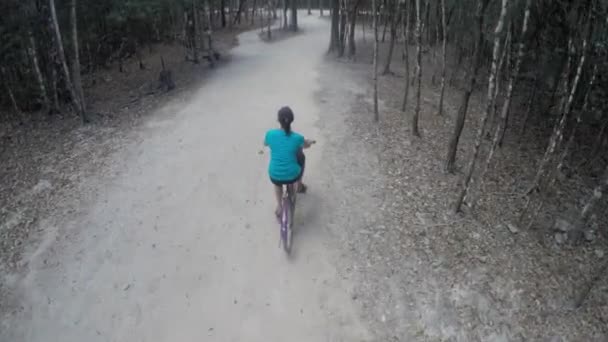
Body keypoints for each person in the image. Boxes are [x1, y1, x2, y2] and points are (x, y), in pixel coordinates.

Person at [264, 106, 315, 218]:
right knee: (301, 157)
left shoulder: (270, 134)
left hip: (274, 174)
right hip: (292, 175)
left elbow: (266, 144)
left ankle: (279, 206)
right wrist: (310, 142)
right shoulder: (298, 138)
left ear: (278, 120)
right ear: (292, 120)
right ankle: (299, 185)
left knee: (277, 184)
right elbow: (305, 145)